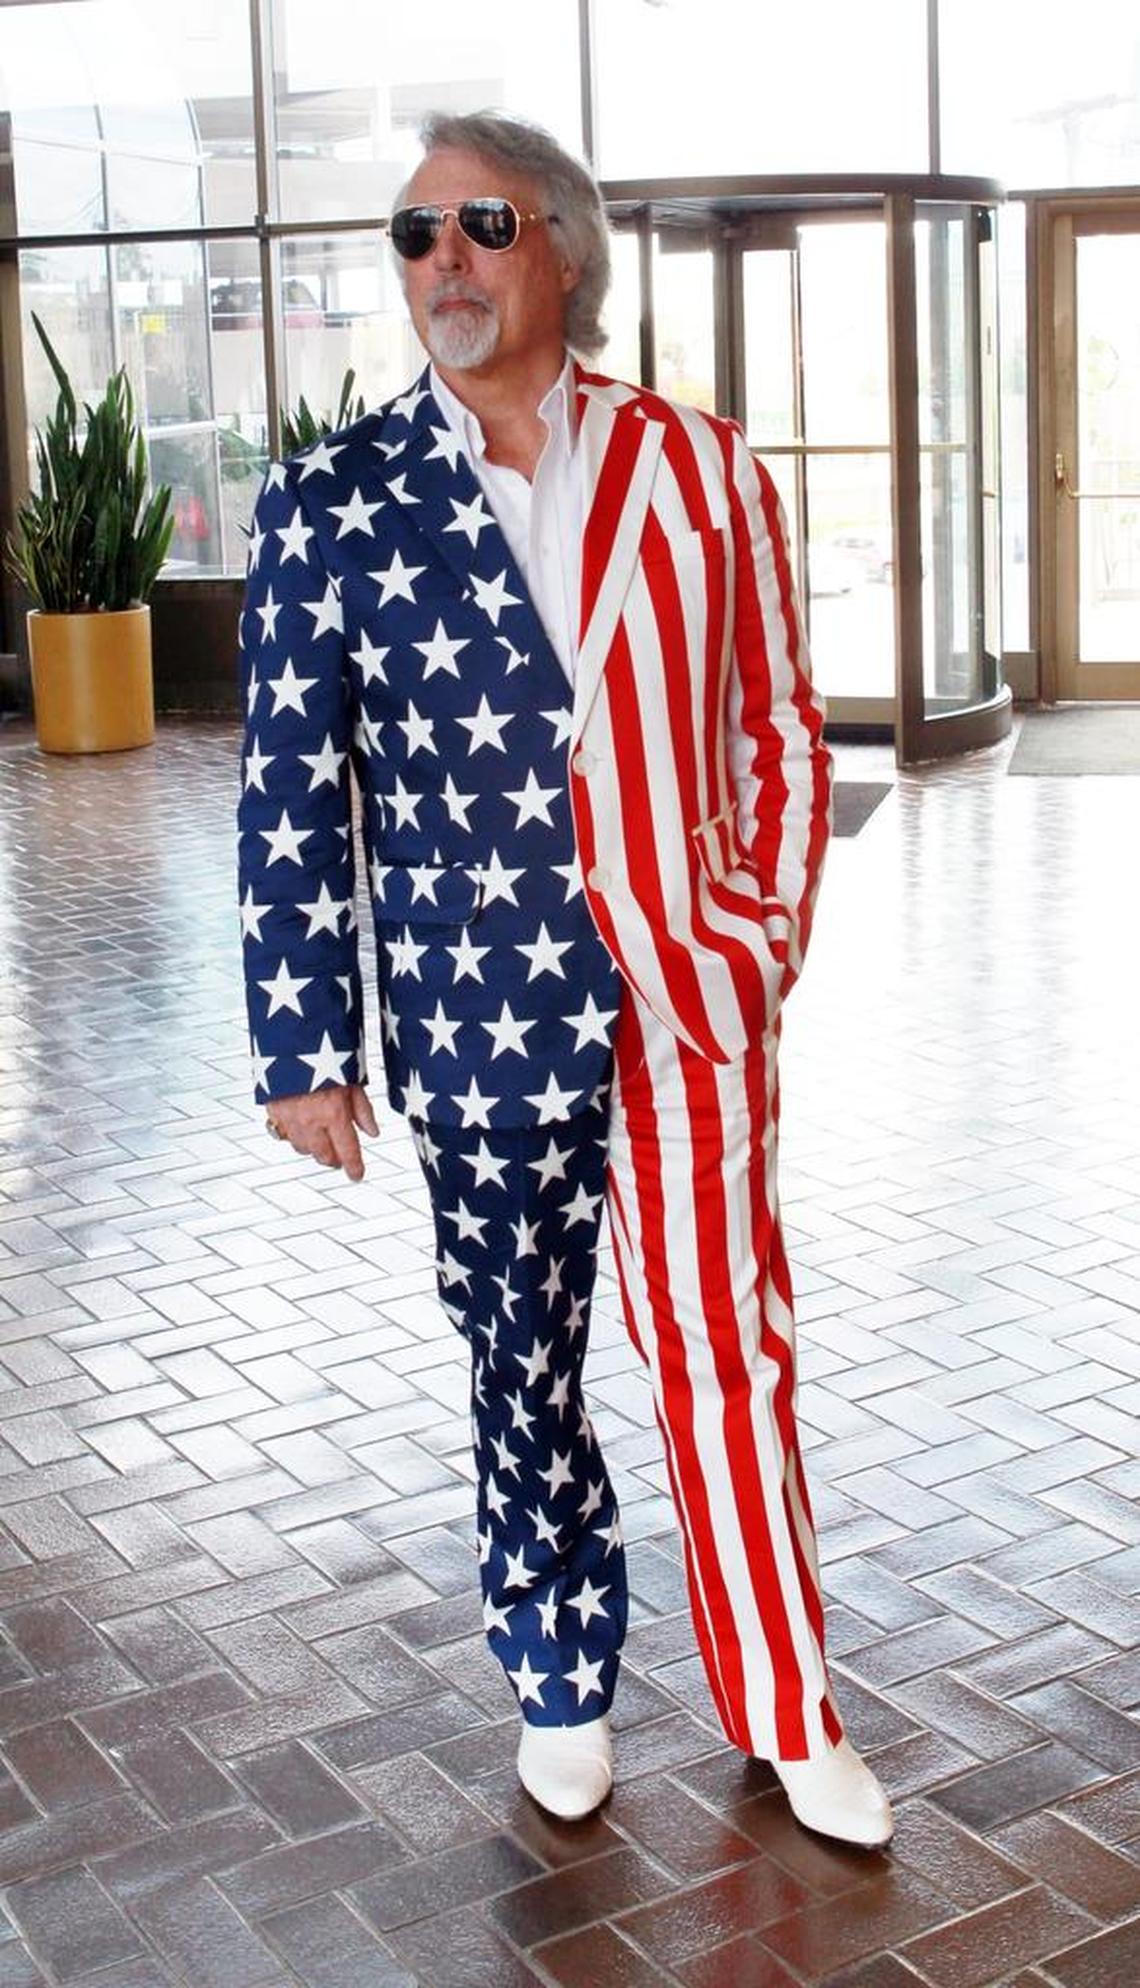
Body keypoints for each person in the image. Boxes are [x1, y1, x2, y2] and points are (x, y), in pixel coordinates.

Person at [236, 109, 892, 1847]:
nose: (441, 261)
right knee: (518, 1364)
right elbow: (290, 789)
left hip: (687, 1005)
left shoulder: (703, 468)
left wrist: (758, 942)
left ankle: (786, 1702)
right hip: (477, 1017)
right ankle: (557, 1676)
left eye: (480, 225)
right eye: (413, 234)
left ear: (566, 250)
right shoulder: (333, 502)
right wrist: (305, 1044)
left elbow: (779, 727)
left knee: (728, 1353)